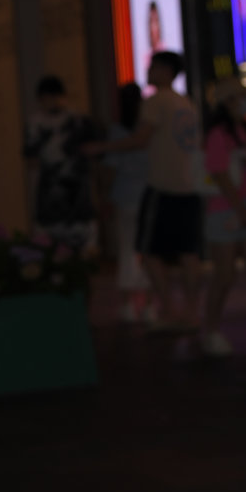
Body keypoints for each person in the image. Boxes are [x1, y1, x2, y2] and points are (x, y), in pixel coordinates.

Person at [89, 52, 203, 333]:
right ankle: (191, 312)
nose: (148, 71)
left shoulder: (156, 101)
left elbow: (140, 140)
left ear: (164, 70)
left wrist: (101, 148)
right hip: (188, 186)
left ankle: (170, 310)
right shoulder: (185, 103)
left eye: (152, 67)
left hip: (162, 186)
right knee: (188, 253)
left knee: (148, 250)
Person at [201, 75, 246, 356]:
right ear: (226, 102)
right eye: (238, 97)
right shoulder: (218, 135)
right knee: (224, 275)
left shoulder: (245, 131)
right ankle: (210, 331)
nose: (245, 101)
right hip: (225, 211)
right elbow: (219, 174)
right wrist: (240, 208)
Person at [22, 75, 98, 250]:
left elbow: (93, 153)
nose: (49, 103)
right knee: (51, 246)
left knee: (80, 243)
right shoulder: (36, 123)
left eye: (51, 97)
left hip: (76, 193)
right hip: (51, 193)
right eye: (45, 99)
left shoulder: (78, 121)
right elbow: (31, 159)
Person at [103, 83, 150, 323]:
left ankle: (128, 304)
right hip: (148, 195)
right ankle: (149, 305)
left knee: (127, 249)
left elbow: (112, 167)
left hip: (125, 196)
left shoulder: (117, 131)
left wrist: (105, 196)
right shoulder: (147, 129)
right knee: (149, 251)